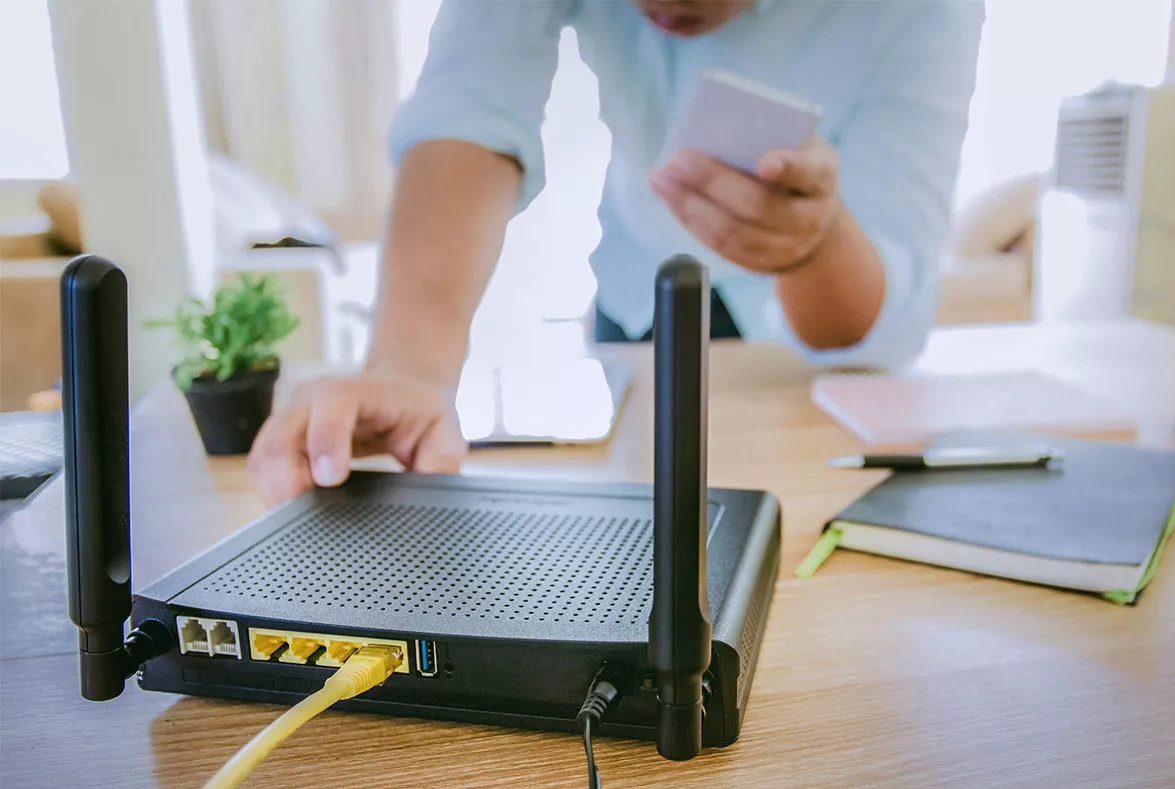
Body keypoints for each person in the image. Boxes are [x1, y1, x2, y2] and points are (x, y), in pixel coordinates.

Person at [249, 0, 984, 507]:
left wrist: (813, 245)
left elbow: (886, 301)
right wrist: (408, 371)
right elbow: (470, 107)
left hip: (810, 357)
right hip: (636, 297)